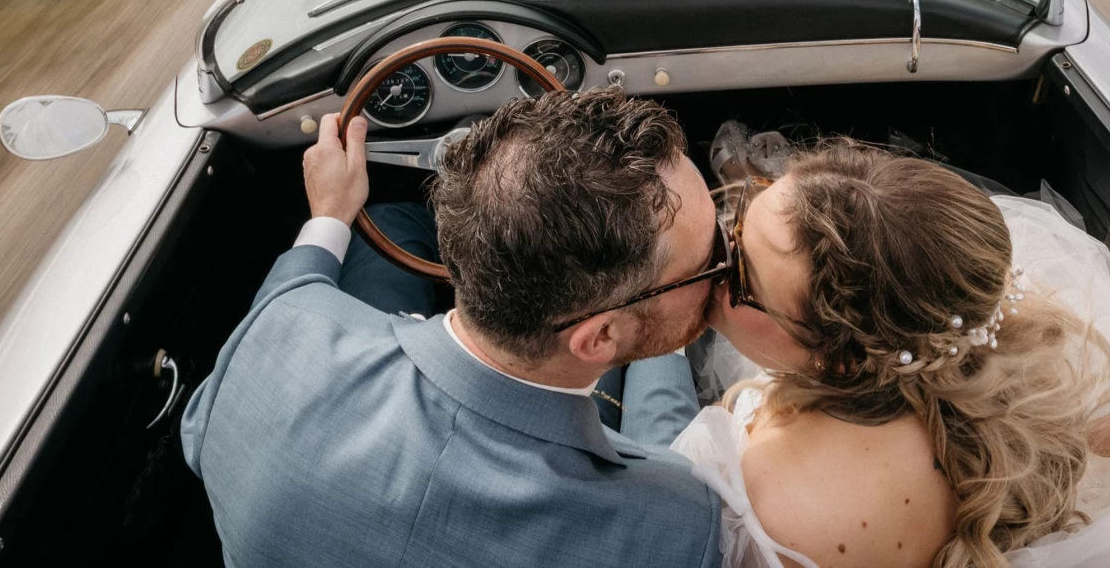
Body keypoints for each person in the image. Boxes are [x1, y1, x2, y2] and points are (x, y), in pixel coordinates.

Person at [672, 140, 1110, 568]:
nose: (716, 261)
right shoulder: (1030, 355)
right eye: (740, 219)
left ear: (840, 359)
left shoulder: (768, 499)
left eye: (742, 279)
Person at [181, 89, 726, 568]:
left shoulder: (275, 336)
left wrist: (329, 214)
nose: (728, 257)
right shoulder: (673, 524)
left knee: (391, 222)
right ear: (599, 339)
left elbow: (282, 312)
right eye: (710, 261)